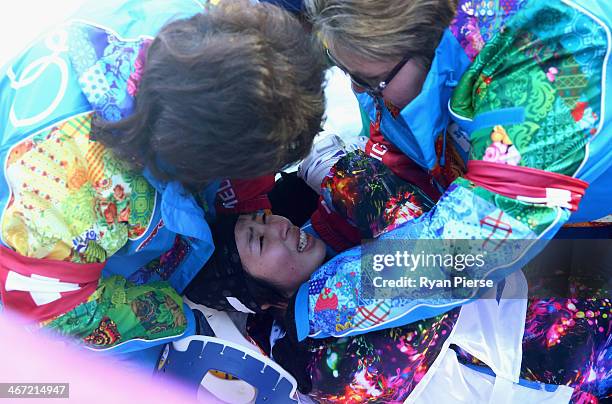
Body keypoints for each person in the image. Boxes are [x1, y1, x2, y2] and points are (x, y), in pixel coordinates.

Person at [0, 0, 326, 353]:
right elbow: (61, 313)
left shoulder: (203, 27)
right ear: (202, 157)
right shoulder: (63, 188)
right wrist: (184, 320)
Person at [288, 0, 612, 339]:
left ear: (420, 38)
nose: (357, 89)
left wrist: (311, 306)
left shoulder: (550, 61)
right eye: (343, 69)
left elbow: (461, 249)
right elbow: (396, 133)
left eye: (368, 81)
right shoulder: (396, 57)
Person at [185, 145, 610, 402]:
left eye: (265, 217)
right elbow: (434, 252)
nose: (278, 226)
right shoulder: (319, 365)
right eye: (259, 241)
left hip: (562, 285)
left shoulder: (321, 279)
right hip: (566, 356)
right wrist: (339, 171)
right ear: (259, 299)